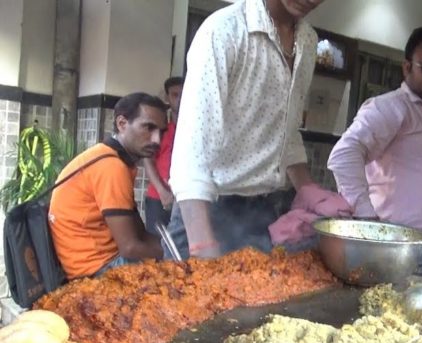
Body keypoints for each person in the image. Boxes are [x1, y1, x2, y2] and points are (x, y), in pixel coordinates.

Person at [168, 0, 340, 259]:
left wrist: (308, 189)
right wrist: (201, 245)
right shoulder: (224, 30)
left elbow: (287, 130)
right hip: (207, 212)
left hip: (263, 213)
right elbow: (192, 150)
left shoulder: (307, 40)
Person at [327, 27, 422, 269]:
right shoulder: (393, 107)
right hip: (399, 254)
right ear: (407, 67)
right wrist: (367, 220)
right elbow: (344, 155)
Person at [49, 93, 166, 279]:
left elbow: (139, 233)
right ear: (122, 124)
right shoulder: (112, 167)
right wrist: (178, 254)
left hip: (99, 261)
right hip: (93, 271)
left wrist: (171, 247)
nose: (157, 140)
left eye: (161, 132)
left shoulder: (113, 158)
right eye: (148, 128)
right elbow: (130, 247)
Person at [143, 76, 183, 235]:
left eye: (183, 94)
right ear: (167, 97)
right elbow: (148, 160)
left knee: (182, 249)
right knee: (157, 247)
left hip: (185, 197)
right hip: (158, 196)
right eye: (175, 95)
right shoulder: (160, 127)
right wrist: (162, 191)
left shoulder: (196, 128)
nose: (180, 99)